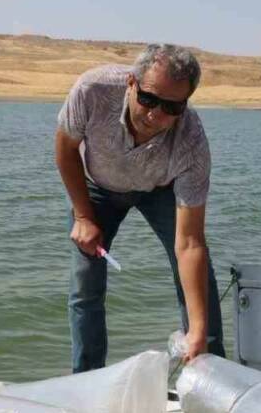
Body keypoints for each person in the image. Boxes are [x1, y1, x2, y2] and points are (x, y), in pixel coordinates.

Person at [55, 44, 226, 372]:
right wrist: (82, 215)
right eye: (148, 99)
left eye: (171, 107)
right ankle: (87, 379)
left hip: (159, 188)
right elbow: (65, 148)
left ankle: (210, 367)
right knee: (85, 282)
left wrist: (199, 331)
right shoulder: (93, 90)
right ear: (131, 84)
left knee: (197, 273)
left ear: (185, 104)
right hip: (97, 186)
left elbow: (189, 244)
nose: (156, 115)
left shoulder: (191, 141)